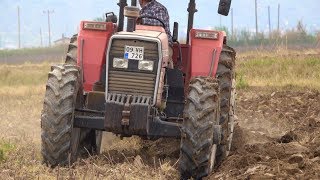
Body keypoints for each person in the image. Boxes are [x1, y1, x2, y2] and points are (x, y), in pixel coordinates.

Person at [138, 0, 174, 68]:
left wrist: (142, 21)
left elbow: (159, 24)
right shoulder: (142, 11)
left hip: (162, 44)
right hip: (143, 42)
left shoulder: (158, 8)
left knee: (164, 58)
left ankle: (166, 77)